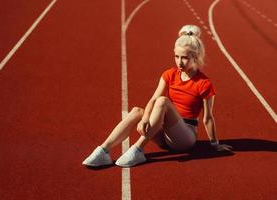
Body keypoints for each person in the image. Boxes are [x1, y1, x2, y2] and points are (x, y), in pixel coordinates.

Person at [82, 24, 232, 168]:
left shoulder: (204, 83)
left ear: (196, 57)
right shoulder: (169, 74)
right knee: (136, 111)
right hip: (165, 133)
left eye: (184, 58)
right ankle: (103, 151)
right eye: (176, 56)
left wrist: (215, 144)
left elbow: (208, 117)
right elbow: (153, 99)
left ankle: (138, 149)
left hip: (185, 137)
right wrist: (146, 118)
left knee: (163, 102)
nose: (179, 62)